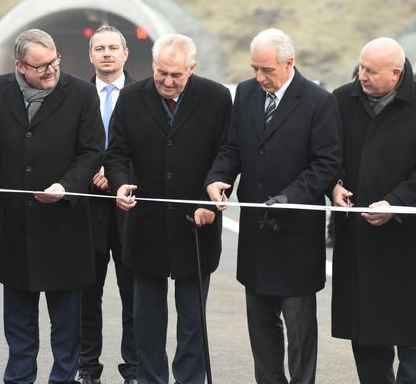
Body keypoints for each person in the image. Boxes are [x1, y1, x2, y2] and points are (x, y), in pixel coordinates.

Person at [0, 28, 104, 383]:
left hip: (65, 222)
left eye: (53, 62)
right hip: (18, 224)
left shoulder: (82, 94)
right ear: (20, 66)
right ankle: (19, 377)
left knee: (67, 321)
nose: (50, 71)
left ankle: (63, 378)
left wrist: (66, 186)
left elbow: (92, 152)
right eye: (40, 67)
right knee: (19, 317)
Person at [205, 28, 342, 384]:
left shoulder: (317, 101)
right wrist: (218, 178)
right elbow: (233, 147)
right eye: (254, 68)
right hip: (256, 233)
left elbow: (326, 163)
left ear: (289, 63)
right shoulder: (247, 94)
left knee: (299, 334)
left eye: (267, 70)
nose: (259, 77)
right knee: (261, 330)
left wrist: (290, 197)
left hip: (296, 235)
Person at [104, 33, 231, 384]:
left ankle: (190, 378)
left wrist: (212, 200)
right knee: (147, 317)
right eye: (161, 73)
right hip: (145, 225)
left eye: (176, 75)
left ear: (191, 68)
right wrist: (119, 184)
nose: (167, 82)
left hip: (196, 225)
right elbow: (115, 153)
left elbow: (227, 153)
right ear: (152, 64)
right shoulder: (131, 98)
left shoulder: (217, 98)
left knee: (192, 319)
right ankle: (151, 379)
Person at [331, 37, 416, 384]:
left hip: (405, 240)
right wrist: (333, 186)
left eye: (371, 71)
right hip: (357, 235)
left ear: (396, 73)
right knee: (365, 333)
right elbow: (327, 154)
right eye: (361, 67)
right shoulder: (341, 100)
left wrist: (396, 204)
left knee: (412, 333)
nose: (361, 76)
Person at [79, 25, 137, 384]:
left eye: (113, 47)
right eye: (99, 48)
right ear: (90, 55)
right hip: (87, 207)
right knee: (87, 293)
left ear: (125, 53)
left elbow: (149, 149)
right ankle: (88, 367)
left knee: (134, 295)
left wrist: (116, 176)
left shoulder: (143, 95)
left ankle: (134, 368)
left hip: (129, 207)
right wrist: (92, 171)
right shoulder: (77, 96)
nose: (106, 54)